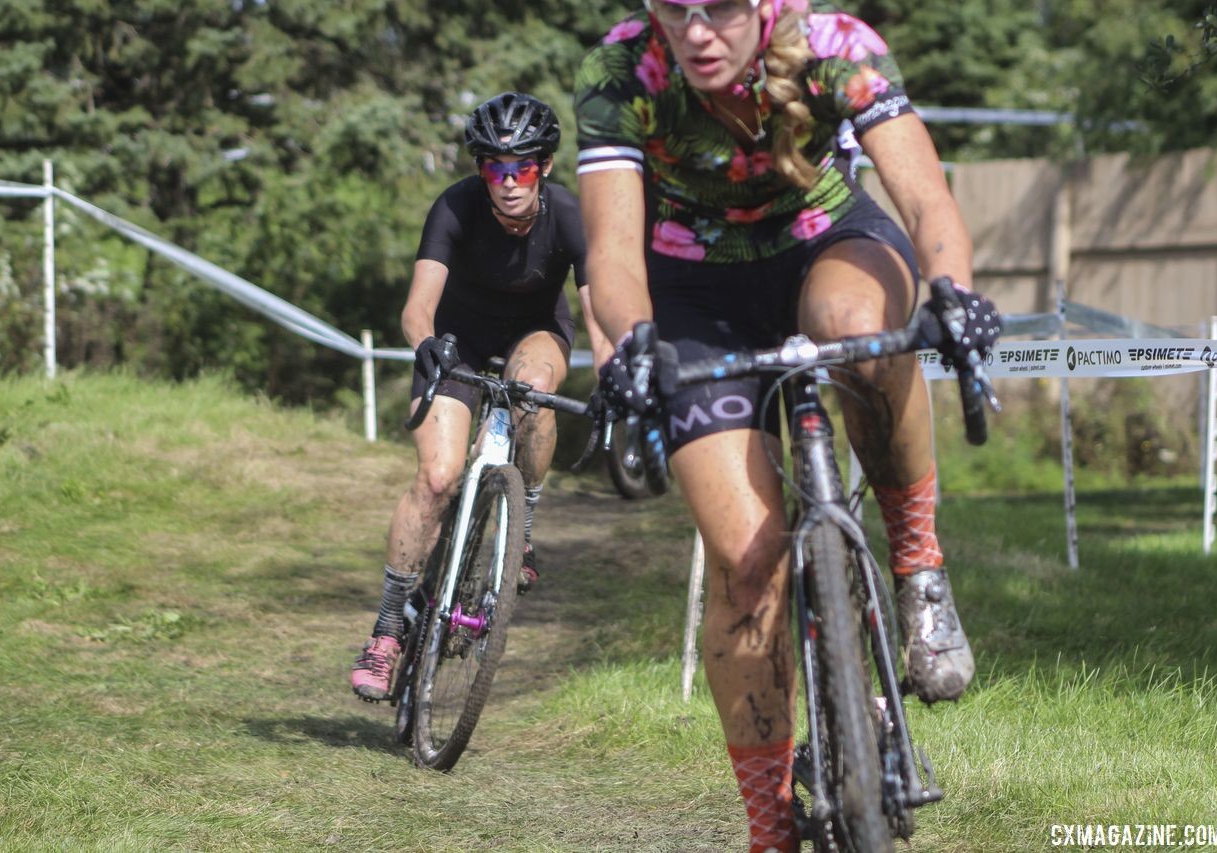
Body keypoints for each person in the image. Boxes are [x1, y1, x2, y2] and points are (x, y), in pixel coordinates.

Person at [574, 1, 1000, 849]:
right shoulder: (621, 72)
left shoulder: (838, 48)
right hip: (694, 294)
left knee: (858, 330)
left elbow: (924, 197)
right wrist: (633, 343)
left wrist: (953, 289)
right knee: (747, 563)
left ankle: (918, 562)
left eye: (724, 7)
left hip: (826, 242)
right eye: (675, 7)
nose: (698, 32)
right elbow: (614, 255)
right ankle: (769, 828)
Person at [351, 91, 612, 703]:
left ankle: (522, 527)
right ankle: (389, 630)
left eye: (522, 166)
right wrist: (425, 345)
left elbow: (599, 319)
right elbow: (418, 305)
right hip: (455, 342)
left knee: (537, 394)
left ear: (544, 166)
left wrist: (612, 377)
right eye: (495, 167)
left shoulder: (570, 215)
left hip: (535, 334)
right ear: (480, 171)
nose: (509, 181)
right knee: (437, 479)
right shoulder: (455, 208)